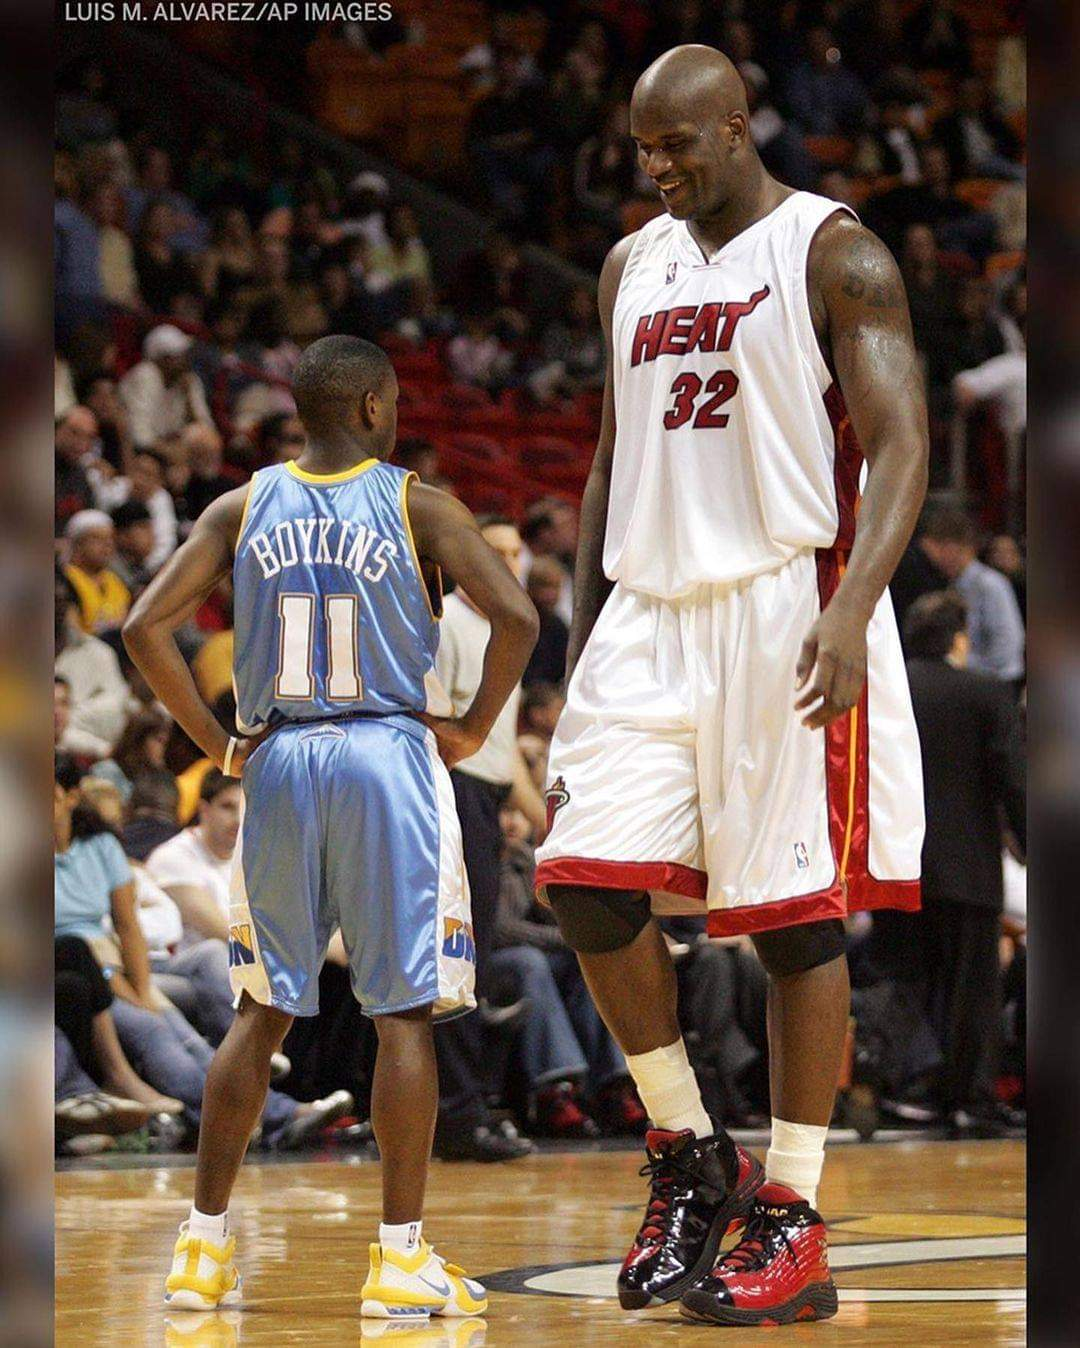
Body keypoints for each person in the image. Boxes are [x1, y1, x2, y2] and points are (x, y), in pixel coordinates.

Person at [534, 46, 928, 1327]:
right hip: (650, 608)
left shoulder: (832, 252)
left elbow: (903, 438)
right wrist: (588, 633)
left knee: (791, 920)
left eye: (676, 146)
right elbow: (606, 460)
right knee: (584, 878)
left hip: (781, 596)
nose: (656, 168)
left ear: (739, 129)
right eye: (642, 149)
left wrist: (856, 602)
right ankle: (690, 1151)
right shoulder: (630, 264)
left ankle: (795, 1213)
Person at [123, 334, 537, 1316]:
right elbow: (517, 615)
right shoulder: (416, 502)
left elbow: (144, 625)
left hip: (279, 758)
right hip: (386, 754)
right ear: (370, 410)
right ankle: (398, 1257)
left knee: (259, 1007)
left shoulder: (241, 504)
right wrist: (475, 726)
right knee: (402, 1013)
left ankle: (202, 1247)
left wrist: (221, 742)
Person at [902, 591, 1025, 1135]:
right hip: (967, 865)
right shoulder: (985, 692)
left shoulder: (887, 687)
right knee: (971, 988)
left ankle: (909, 1088)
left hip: (895, 861)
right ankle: (969, 1099)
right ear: (958, 637)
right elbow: (1014, 779)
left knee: (905, 978)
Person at [918, 506, 1025, 686]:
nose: (933, 562)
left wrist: (956, 668)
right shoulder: (953, 587)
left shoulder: (991, 585)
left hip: (998, 685)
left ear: (951, 547)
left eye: (935, 552)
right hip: (970, 682)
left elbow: (1007, 646)